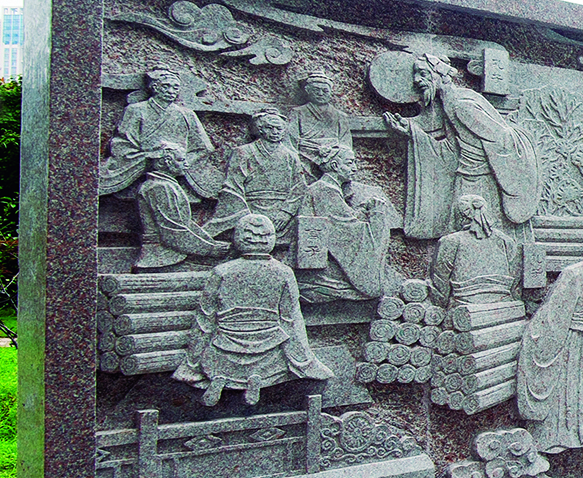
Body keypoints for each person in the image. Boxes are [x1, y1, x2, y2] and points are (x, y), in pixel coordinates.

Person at [172, 214, 332, 407]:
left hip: (224, 347)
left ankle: (220, 379)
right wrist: (306, 361)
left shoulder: (221, 272)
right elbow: (291, 320)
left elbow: (205, 320)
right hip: (268, 347)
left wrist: (191, 363)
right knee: (276, 361)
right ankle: (255, 380)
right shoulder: (283, 272)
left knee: (213, 357)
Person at [383, 52, 542, 239]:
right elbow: (453, 149)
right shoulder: (449, 102)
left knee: (477, 238)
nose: (417, 80)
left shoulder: (462, 105)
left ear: (440, 75)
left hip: (480, 183)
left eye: (423, 73)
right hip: (466, 178)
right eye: (416, 75)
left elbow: (500, 139)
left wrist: (488, 168)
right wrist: (412, 132)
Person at [517, 239, 583, 452]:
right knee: (571, 387)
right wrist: (549, 341)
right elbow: (557, 311)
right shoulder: (574, 274)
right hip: (573, 339)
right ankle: (565, 433)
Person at [296, 144, 400, 302]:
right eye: (350, 163)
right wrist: (376, 214)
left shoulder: (329, 189)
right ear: (335, 165)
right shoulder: (325, 190)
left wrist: (362, 211)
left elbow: (345, 219)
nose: (355, 168)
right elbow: (347, 231)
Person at [99, 67, 219, 198]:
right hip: (140, 166)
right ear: (155, 87)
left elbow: (203, 148)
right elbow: (121, 144)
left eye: (175, 87)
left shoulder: (187, 114)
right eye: (166, 86)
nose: (171, 91)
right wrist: (151, 156)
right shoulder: (135, 110)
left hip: (175, 170)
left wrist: (179, 162)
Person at [205, 109, 306, 241]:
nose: (275, 132)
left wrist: (286, 213)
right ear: (260, 129)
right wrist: (247, 217)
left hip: (282, 214)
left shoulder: (291, 156)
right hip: (249, 209)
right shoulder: (243, 152)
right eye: (269, 128)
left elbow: (299, 187)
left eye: (279, 128)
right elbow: (232, 186)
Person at [132, 142, 229, 269]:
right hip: (163, 258)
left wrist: (211, 243)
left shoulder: (166, 185)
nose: (186, 164)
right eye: (181, 160)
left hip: (172, 255)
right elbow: (171, 231)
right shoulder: (159, 187)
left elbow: (185, 223)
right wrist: (210, 249)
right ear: (165, 162)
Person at [429, 194, 522, 307]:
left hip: (463, 304)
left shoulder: (451, 241)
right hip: (505, 304)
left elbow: (440, 280)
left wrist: (440, 305)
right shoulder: (505, 239)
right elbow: (515, 274)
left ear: (461, 215)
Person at [285, 71, 354, 170]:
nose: (320, 94)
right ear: (308, 91)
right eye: (316, 90)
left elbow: (345, 143)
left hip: (333, 159)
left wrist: (333, 152)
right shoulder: (297, 112)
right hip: (303, 157)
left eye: (325, 91)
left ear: (330, 92)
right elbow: (291, 139)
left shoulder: (340, 116)